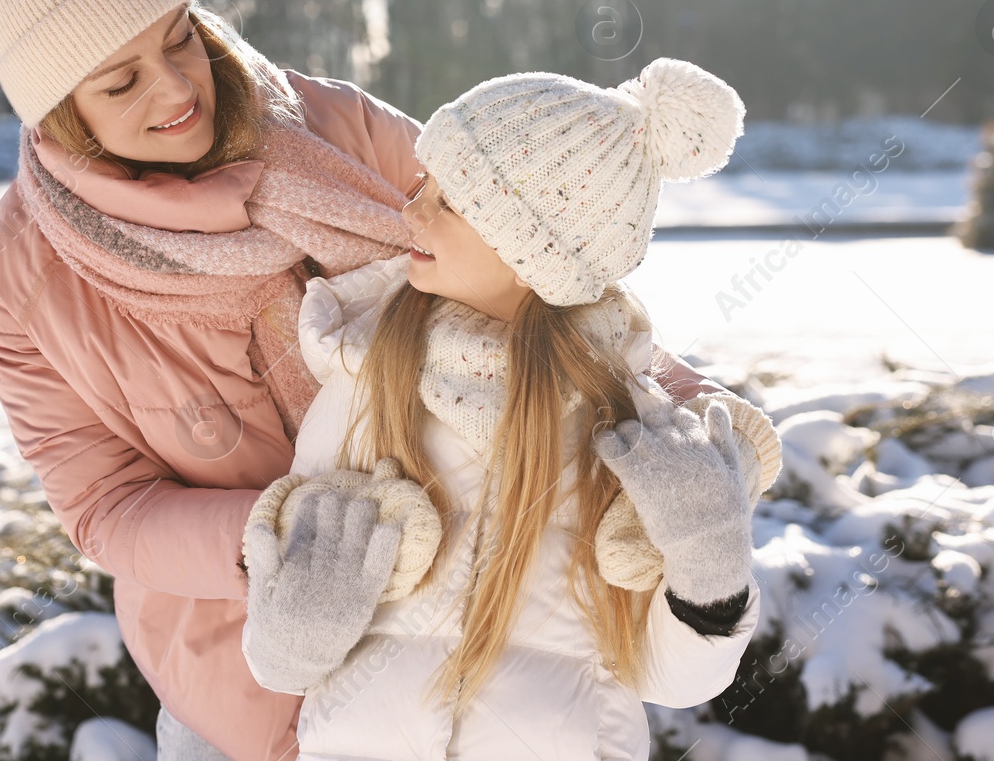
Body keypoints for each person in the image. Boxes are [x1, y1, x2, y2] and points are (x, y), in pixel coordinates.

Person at [0, 0, 740, 761]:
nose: (177, 91)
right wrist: (289, 541)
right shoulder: (23, 280)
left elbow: (535, 244)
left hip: (487, 655)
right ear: (60, 113)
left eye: (182, 40)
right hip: (241, 669)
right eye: (121, 82)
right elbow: (103, 505)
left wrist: (690, 421)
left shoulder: (330, 127)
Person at [240, 58, 784, 760]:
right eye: (422, 184)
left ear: (536, 251)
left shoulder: (631, 436)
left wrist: (712, 572)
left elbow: (672, 679)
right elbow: (279, 660)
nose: (411, 211)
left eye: (451, 200)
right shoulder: (363, 386)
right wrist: (293, 635)